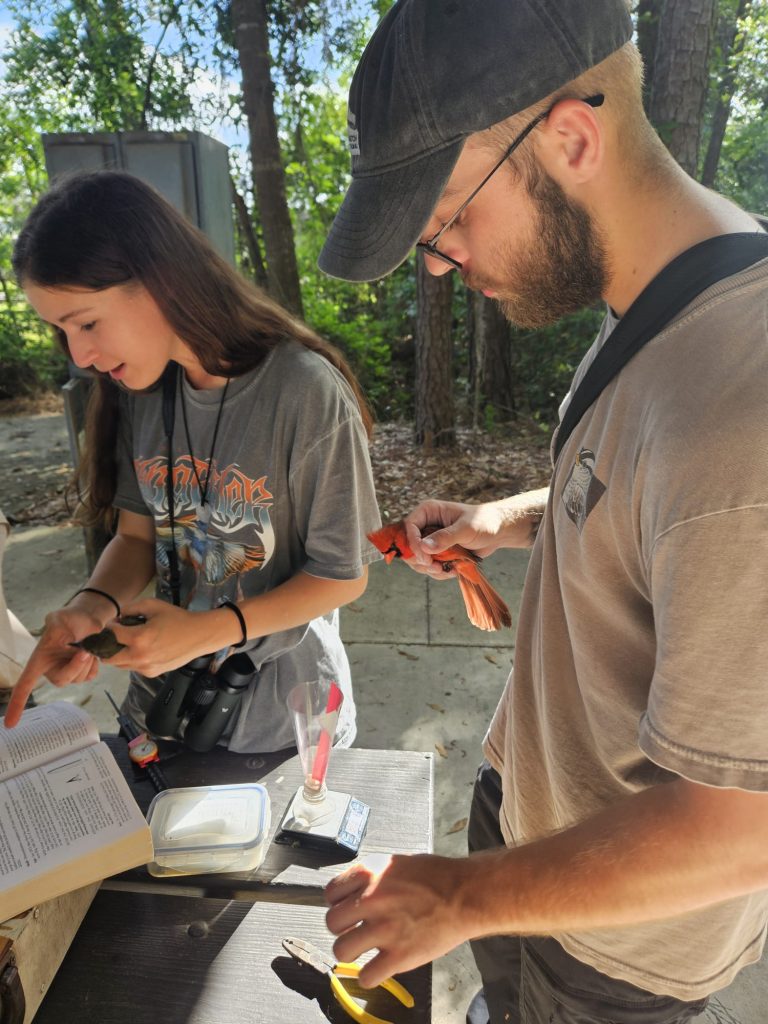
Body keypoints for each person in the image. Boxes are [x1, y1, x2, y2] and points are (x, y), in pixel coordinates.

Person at [317, 1, 768, 1022]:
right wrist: (502, 519)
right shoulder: (663, 292)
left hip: (619, 944)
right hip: (537, 819)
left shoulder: (744, 416)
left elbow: (741, 828)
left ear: (570, 137)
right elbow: (633, 490)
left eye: (446, 223)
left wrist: (461, 899)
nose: (437, 264)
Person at [6, 169, 381, 753]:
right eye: (61, 330)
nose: (79, 354)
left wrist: (209, 631)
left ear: (160, 281)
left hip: (283, 719)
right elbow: (135, 537)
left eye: (87, 322)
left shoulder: (303, 391)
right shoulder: (143, 390)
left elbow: (342, 574)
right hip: (160, 705)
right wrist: (90, 608)